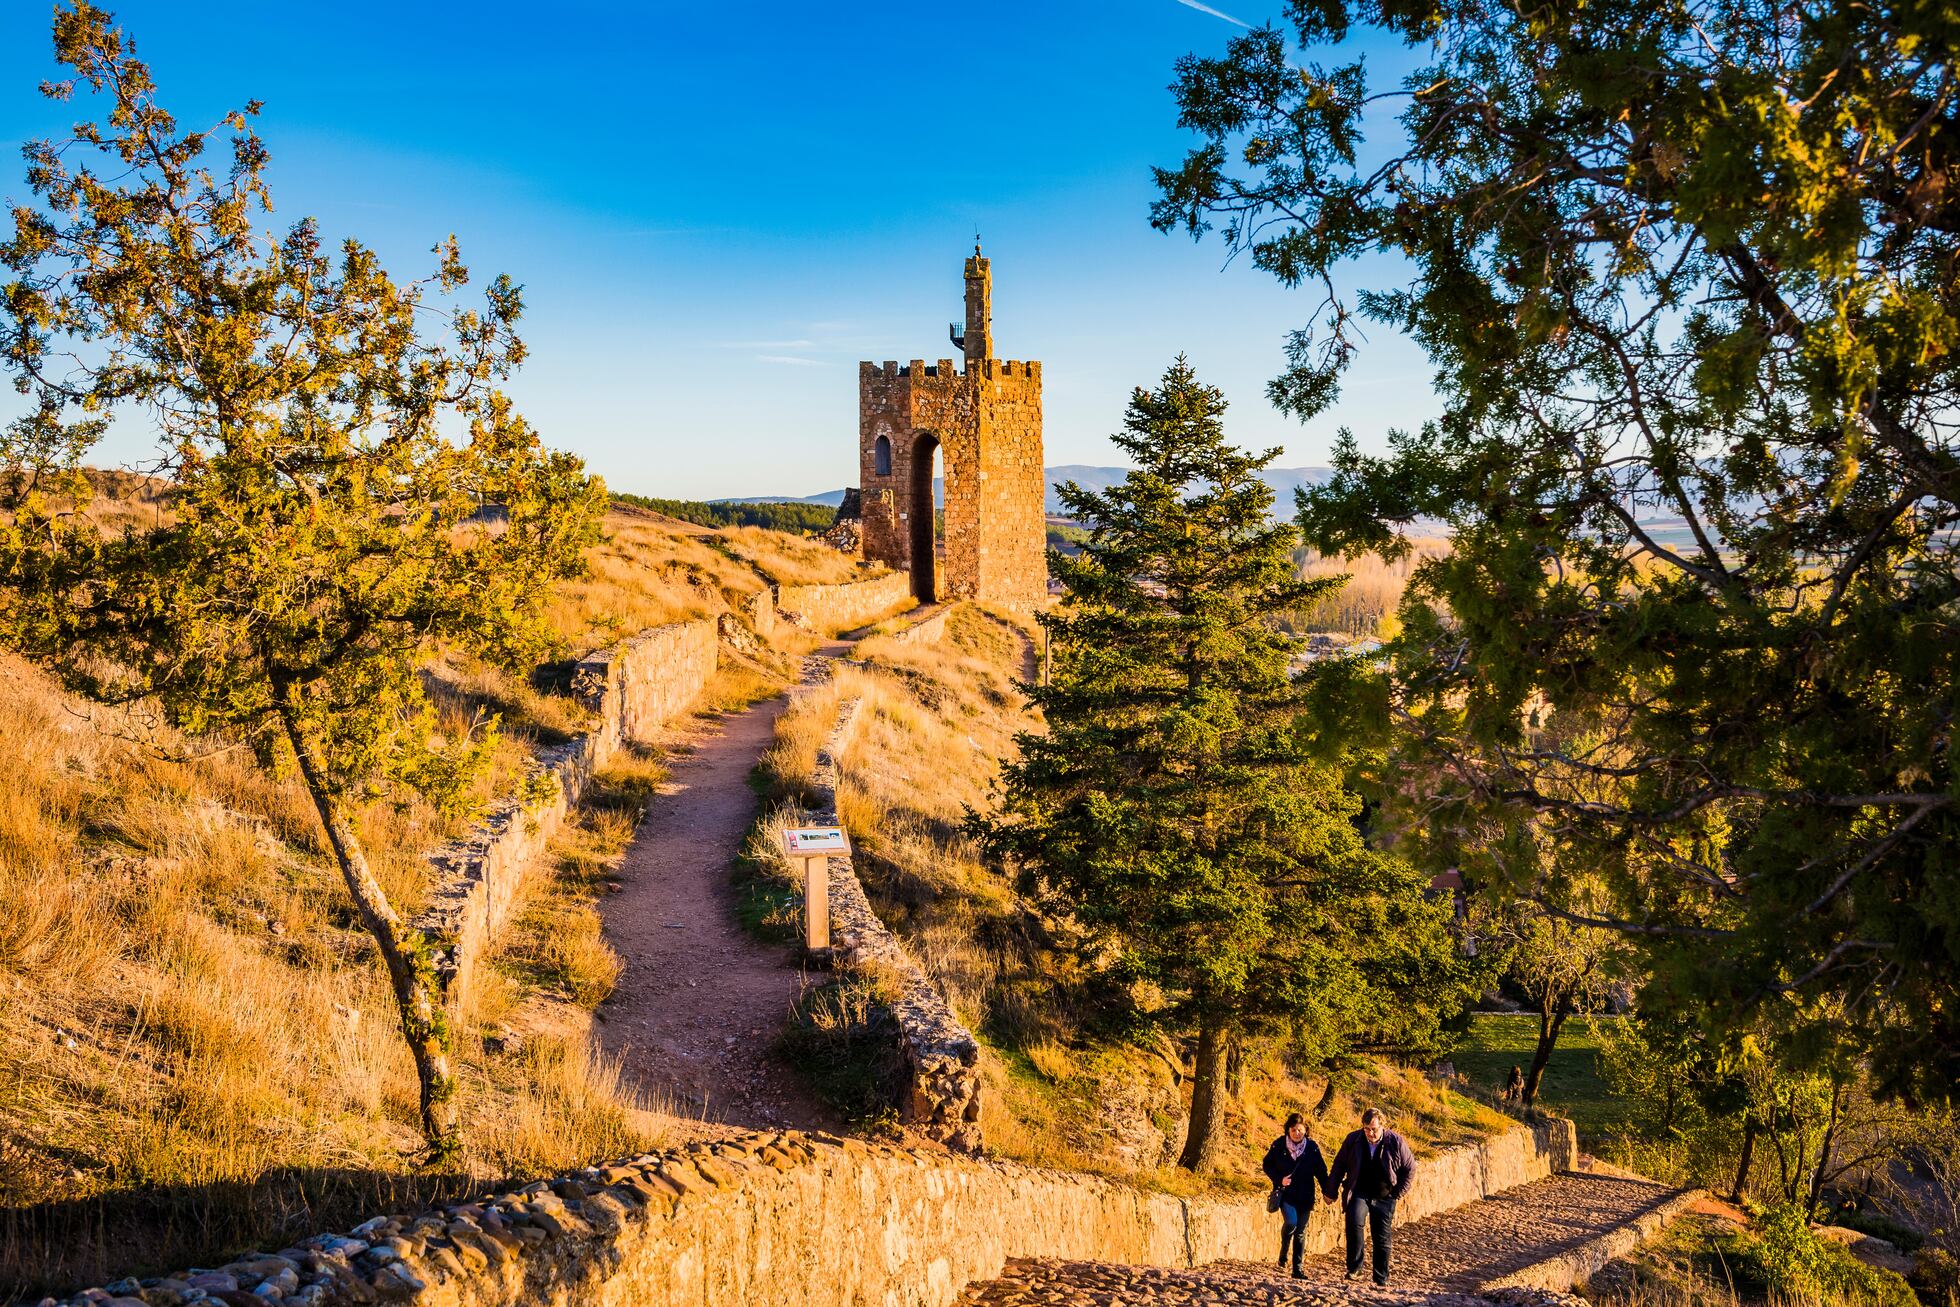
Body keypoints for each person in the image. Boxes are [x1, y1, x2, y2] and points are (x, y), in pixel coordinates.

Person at [1325, 1106, 1417, 1286]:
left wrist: (1398, 1192)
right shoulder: (1353, 1139)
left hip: (1384, 1195)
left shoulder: (1395, 1141)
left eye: (1374, 1129)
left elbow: (1410, 1168)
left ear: (1382, 1126)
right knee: (1354, 1223)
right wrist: (1331, 1191)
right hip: (1358, 1191)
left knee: (1381, 1236)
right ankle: (1355, 1269)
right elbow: (1339, 1165)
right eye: (1366, 1129)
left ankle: (1381, 1277)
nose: (1370, 1133)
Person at [1261, 1112, 1331, 1279]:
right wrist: (1279, 1179)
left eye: (1300, 1130)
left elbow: (1321, 1171)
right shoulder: (1279, 1145)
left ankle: (1297, 1269)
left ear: (1305, 1130)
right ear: (1288, 1130)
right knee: (1291, 1223)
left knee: (1301, 1232)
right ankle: (1284, 1250)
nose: (1297, 1133)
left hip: (1306, 1196)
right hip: (1287, 1194)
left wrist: (1328, 1191)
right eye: (1293, 1130)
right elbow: (1267, 1164)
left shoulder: (1312, 1148)